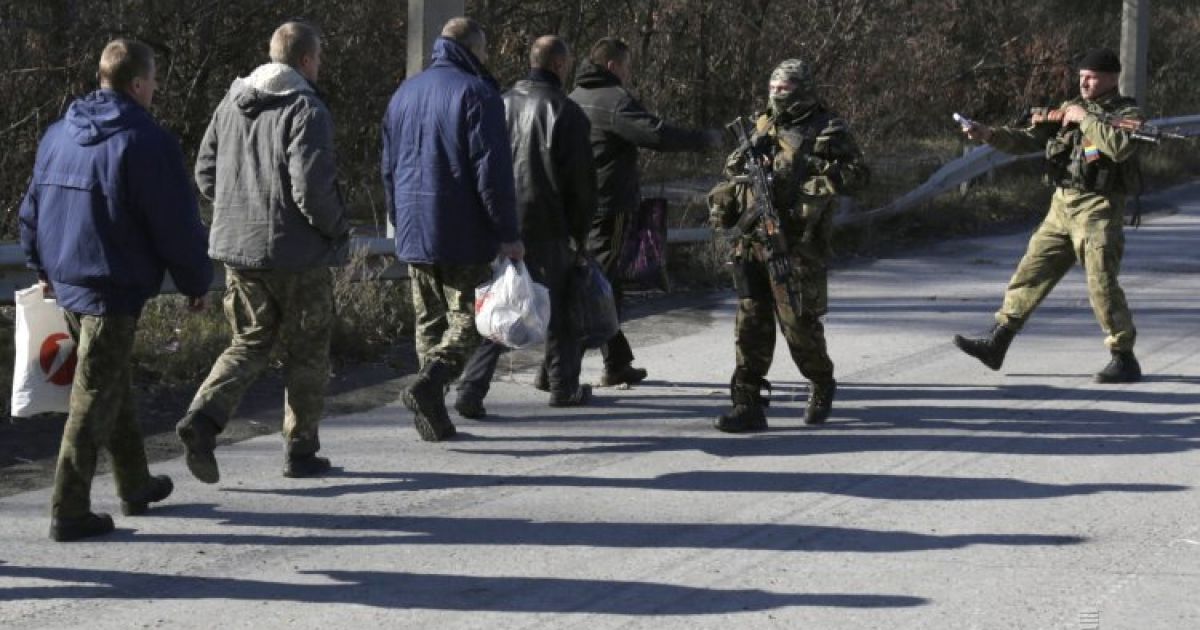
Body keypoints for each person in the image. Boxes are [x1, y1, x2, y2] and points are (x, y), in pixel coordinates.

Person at [19, 39, 213, 541]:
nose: (155, 93)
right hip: (111, 285)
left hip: (66, 279)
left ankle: (135, 482)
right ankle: (69, 507)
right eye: (153, 85)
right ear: (138, 84)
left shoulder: (58, 133)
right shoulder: (147, 142)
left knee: (108, 379)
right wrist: (196, 280)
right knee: (94, 393)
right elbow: (174, 223)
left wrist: (40, 263)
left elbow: (33, 206)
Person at [176, 21, 350, 483]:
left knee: (249, 341)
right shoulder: (306, 108)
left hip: (238, 250)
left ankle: (203, 417)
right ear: (308, 60)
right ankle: (301, 449)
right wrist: (336, 231)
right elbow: (311, 190)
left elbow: (206, 172)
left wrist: (236, 212)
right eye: (319, 59)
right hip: (297, 256)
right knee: (307, 351)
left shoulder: (231, 102)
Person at [953, 48, 1144, 383]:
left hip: (1098, 206)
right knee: (1031, 271)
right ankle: (998, 342)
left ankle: (1123, 356)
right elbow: (1030, 139)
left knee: (1101, 282)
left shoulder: (1126, 111)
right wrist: (989, 134)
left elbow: (1120, 147)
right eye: (1081, 76)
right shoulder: (1069, 108)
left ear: (1112, 78)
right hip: (1062, 204)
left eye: (1092, 77)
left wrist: (1084, 119)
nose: (1084, 83)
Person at [382, 17, 524, 441]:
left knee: (428, 322)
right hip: (461, 228)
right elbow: (491, 172)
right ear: (473, 50)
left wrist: (397, 218)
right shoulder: (478, 93)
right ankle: (431, 384)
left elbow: (387, 167)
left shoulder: (403, 93)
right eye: (484, 52)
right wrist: (507, 232)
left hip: (413, 226)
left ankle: (433, 415)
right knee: (472, 319)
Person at [708, 59, 868, 433]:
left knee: (798, 323)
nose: (779, 93)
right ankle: (747, 403)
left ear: (806, 87)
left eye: (788, 86)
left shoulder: (828, 128)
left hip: (797, 243)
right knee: (750, 321)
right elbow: (733, 173)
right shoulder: (760, 123)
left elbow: (860, 176)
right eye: (775, 86)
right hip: (751, 240)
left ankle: (821, 382)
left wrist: (806, 165)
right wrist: (750, 158)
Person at [454, 35, 598, 418]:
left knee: (506, 303)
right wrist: (581, 234)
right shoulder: (565, 112)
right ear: (560, 65)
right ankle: (563, 385)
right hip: (549, 224)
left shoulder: (496, 103)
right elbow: (581, 184)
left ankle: (472, 386)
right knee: (564, 306)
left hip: (502, 223)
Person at [568, 37, 722, 388]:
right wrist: (703, 140)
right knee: (601, 286)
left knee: (598, 281)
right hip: (609, 207)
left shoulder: (572, 98)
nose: (629, 73)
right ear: (612, 66)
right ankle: (561, 367)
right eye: (627, 66)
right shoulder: (613, 100)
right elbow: (654, 134)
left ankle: (616, 363)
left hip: (576, 207)